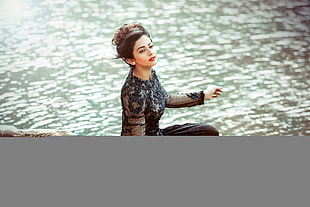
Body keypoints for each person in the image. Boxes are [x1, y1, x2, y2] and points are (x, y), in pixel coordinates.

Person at [112, 23, 223, 136]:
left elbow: (167, 99)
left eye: (150, 46)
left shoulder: (150, 74)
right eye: (142, 51)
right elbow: (137, 134)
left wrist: (204, 95)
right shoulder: (133, 92)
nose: (150, 52)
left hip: (158, 133)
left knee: (207, 131)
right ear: (131, 60)